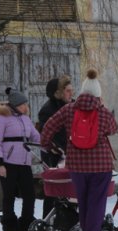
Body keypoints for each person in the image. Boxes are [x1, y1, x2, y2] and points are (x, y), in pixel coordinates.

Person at [41, 68, 118, 231]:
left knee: (82, 201)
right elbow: (113, 128)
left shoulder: (69, 109)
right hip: (100, 165)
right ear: (97, 93)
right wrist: (102, 108)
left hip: (76, 165)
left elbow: (49, 126)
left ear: (83, 91)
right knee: (96, 203)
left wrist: (46, 144)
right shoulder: (103, 112)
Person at [0, 87, 41, 231]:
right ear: (15, 105)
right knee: (9, 195)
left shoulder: (25, 118)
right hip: (7, 163)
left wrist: (48, 144)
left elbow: (36, 137)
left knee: (29, 195)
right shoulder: (0, 118)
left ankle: (26, 224)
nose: (26, 107)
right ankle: (10, 226)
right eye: (23, 104)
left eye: (26, 104)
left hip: (24, 162)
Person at [36, 75, 73, 218]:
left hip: (70, 154)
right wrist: (63, 149)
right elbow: (50, 134)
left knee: (71, 189)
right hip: (54, 155)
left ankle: (68, 219)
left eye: (71, 90)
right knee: (54, 189)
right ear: (58, 93)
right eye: (67, 91)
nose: (71, 93)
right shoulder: (47, 110)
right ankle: (48, 220)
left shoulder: (72, 105)